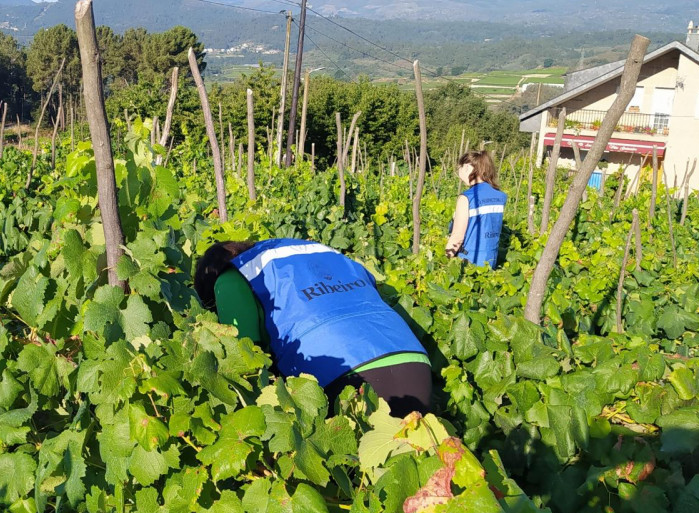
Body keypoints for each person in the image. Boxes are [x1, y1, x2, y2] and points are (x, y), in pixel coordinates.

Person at [194, 239, 431, 416]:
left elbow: (244, 351)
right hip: (413, 358)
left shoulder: (230, 277)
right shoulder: (311, 251)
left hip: (342, 373)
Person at [445, 149, 506, 268]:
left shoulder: (467, 198)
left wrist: (445, 261)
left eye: (460, 168)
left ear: (467, 167)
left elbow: (457, 237)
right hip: (491, 258)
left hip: (469, 261)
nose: (459, 173)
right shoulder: (500, 196)